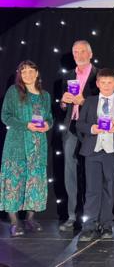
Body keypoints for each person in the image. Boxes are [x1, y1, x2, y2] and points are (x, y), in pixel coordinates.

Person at [0, 60, 52, 237]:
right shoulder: (13, 92)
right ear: (20, 75)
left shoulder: (45, 95)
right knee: (14, 182)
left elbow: (50, 117)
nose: (28, 74)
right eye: (24, 72)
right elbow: (5, 116)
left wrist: (47, 124)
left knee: (35, 183)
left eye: (31, 71)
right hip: (17, 144)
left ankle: (30, 218)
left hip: (38, 145)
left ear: (37, 73)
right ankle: (15, 222)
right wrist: (26, 125)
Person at [76, 68, 114, 241]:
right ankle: (89, 226)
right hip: (93, 151)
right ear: (97, 84)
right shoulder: (89, 101)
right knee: (91, 190)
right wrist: (92, 128)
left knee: (109, 189)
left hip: (112, 152)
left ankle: (106, 225)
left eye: (109, 83)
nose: (106, 86)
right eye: (102, 83)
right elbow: (80, 124)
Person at [59, 40, 98, 231]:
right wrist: (64, 103)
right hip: (71, 128)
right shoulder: (67, 76)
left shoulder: (99, 75)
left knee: (91, 173)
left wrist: (84, 102)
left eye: (83, 51)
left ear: (90, 54)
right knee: (70, 173)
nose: (80, 55)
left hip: (91, 129)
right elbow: (62, 107)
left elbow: (104, 105)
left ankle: (92, 218)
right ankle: (72, 215)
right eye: (76, 52)